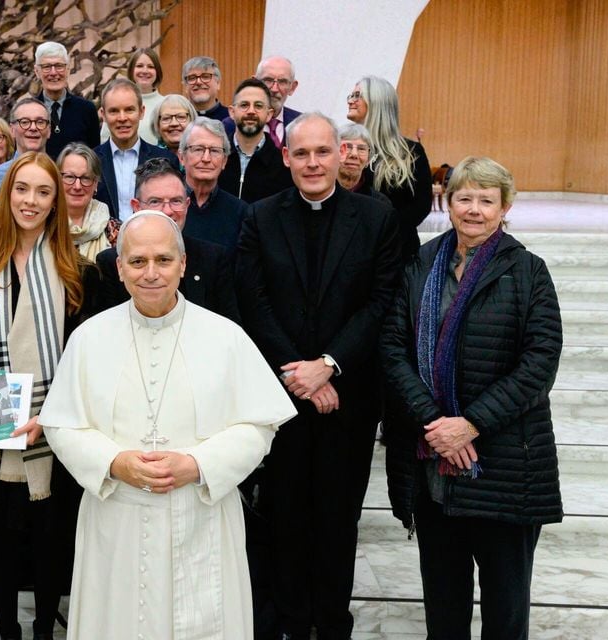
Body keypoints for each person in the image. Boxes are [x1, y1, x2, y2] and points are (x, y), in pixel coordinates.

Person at [40, 210, 297, 640]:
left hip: (201, 513)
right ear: (119, 268)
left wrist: (198, 464)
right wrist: (115, 461)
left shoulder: (226, 336)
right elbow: (62, 426)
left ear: (183, 264)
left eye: (163, 260)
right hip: (116, 517)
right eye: (137, 261)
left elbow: (259, 426)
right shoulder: (88, 338)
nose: (151, 273)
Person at [381, 156, 563, 640]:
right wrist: (435, 422)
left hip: (504, 467)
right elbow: (392, 348)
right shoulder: (420, 264)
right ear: (449, 202)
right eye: (465, 198)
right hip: (434, 472)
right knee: (444, 608)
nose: (475, 210)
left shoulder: (528, 272)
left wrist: (471, 424)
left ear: (505, 207)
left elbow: (539, 363)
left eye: (487, 200)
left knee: (505, 614)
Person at [236, 113, 401, 640]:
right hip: (281, 399)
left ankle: (332, 623)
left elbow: (381, 302)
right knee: (284, 516)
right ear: (286, 157)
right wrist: (299, 373)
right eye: (301, 153)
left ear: (342, 155)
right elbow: (254, 302)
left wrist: (328, 365)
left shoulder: (376, 219)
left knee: (337, 520)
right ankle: (286, 623)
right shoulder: (259, 217)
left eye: (322, 152)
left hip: (346, 399)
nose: (312, 163)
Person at [0, 151, 99, 640]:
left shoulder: (78, 273)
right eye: (21, 189)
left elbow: (84, 362)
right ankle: (9, 631)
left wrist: (49, 416)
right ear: (6, 194)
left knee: (48, 539)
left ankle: (41, 632)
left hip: (51, 430)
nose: (30, 201)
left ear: (56, 201)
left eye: (43, 191)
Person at [96, 158, 239, 322]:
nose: (167, 211)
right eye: (155, 201)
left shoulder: (213, 259)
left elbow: (228, 328)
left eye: (176, 201)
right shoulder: (109, 263)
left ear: (186, 205)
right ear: (136, 207)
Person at [347, 75, 431, 262]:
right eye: (351, 95)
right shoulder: (340, 147)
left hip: (395, 251)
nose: (351, 100)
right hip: (349, 248)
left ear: (377, 101)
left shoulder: (410, 152)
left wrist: (385, 231)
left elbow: (421, 204)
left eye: (357, 95)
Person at [94, 78, 177, 221]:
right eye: (114, 111)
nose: (122, 118)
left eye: (129, 110)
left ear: (141, 112)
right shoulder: (91, 161)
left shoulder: (165, 160)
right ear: (103, 114)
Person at [178, 117, 247, 252]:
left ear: (224, 161)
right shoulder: (167, 206)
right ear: (182, 157)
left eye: (215, 151)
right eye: (198, 149)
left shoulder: (240, 212)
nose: (206, 159)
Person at [219, 78, 293, 203]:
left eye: (258, 106)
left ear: (269, 114)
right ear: (232, 112)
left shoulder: (283, 166)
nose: (251, 111)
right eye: (244, 105)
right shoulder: (216, 157)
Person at [33, 41, 100, 159]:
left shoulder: (86, 109)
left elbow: (94, 156)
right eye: (47, 67)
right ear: (37, 72)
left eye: (59, 66)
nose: (53, 73)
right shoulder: (27, 110)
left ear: (68, 70)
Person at [0, 98, 52, 200]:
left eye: (40, 122)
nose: (33, 127)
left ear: (49, 130)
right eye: (25, 122)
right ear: (12, 130)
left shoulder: (63, 175)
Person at [223, 56, 302, 147]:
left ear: (292, 87)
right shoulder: (229, 126)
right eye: (268, 80)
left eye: (282, 81)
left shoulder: (301, 124)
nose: (274, 89)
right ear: (254, 83)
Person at [56, 142, 114, 259]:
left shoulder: (113, 230)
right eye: (69, 177)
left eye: (86, 178)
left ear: (96, 183)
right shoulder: (44, 224)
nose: (77, 186)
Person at [102, 47, 165, 145]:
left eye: (151, 67)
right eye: (139, 66)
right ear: (131, 70)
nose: (145, 71)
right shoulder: (116, 102)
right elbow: (105, 138)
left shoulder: (166, 104)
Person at [336, 123, 390, 204]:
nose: (354, 154)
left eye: (361, 149)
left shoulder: (379, 202)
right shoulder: (318, 195)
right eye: (347, 147)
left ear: (368, 159)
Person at [182, 56, 228, 121]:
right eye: (192, 78)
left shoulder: (232, 119)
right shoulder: (179, 121)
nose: (198, 82)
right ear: (186, 86)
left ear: (218, 83)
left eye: (205, 77)